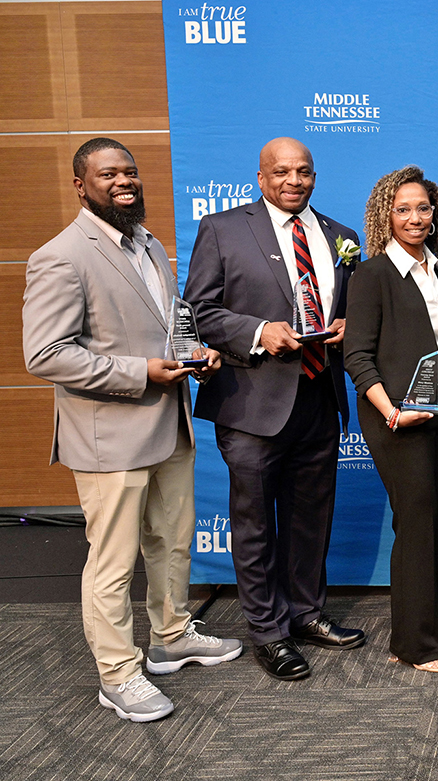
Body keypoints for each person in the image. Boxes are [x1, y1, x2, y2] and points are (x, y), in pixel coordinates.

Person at [23, 138, 242, 722]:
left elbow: (164, 327)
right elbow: (45, 354)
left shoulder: (149, 243)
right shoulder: (62, 255)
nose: (124, 181)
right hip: (108, 436)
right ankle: (118, 674)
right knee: (113, 563)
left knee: (171, 541)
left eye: (131, 171)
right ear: (80, 185)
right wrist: (139, 372)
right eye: (108, 173)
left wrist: (196, 354)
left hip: (167, 424)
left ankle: (171, 635)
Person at [185, 137, 365, 681]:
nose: (294, 180)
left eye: (304, 171)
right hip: (252, 403)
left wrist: (347, 325)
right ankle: (267, 630)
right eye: (281, 172)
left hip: (318, 396)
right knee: (255, 523)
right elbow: (198, 310)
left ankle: (307, 612)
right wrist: (260, 331)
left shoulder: (341, 237)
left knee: (312, 519)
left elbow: (353, 308)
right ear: (260, 178)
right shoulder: (222, 229)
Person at [344, 165, 438, 673]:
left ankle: (425, 633)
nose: (414, 218)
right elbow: (357, 355)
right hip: (395, 417)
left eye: (422, 208)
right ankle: (414, 645)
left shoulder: (437, 269)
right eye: (402, 209)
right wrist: (392, 413)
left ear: (434, 213)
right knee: (416, 522)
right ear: (384, 216)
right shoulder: (372, 274)